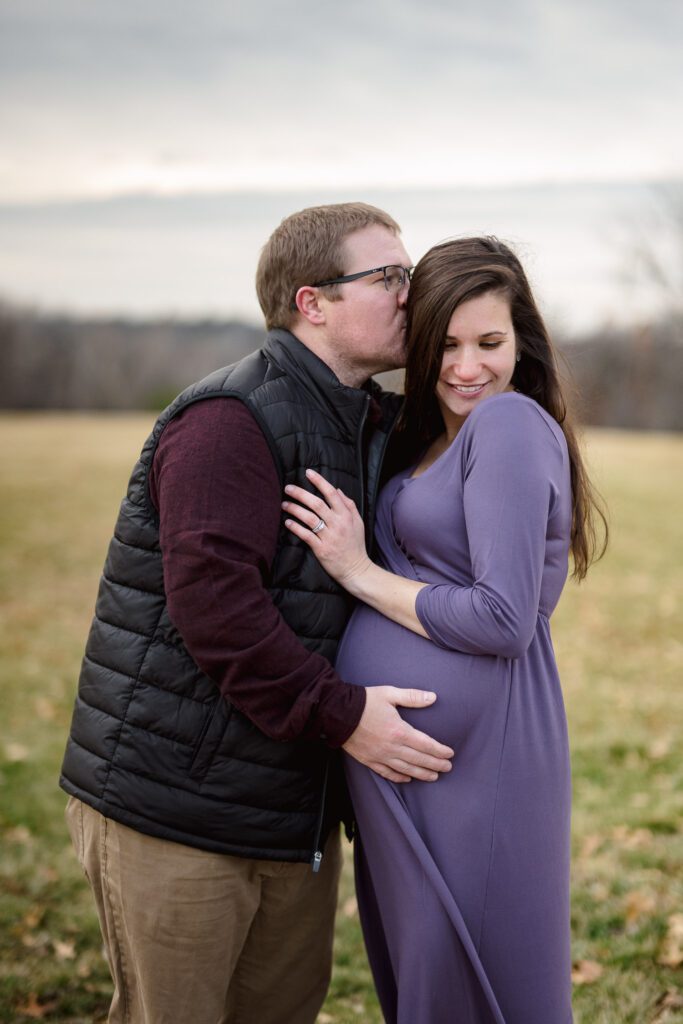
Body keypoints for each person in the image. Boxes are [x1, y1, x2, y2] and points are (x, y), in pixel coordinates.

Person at [59, 202, 455, 1024]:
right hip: (175, 807)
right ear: (313, 302)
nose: (410, 294)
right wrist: (345, 717)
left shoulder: (370, 423)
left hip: (290, 811)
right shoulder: (227, 421)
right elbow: (216, 611)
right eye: (388, 277)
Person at [282, 236, 608, 1024]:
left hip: (478, 763)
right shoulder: (435, 434)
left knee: (482, 978)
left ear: (520, 342)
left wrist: (358, 573)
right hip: (415, 768)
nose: (467, 367)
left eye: (489, 343)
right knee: (426, 974)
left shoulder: (506, 424)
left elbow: (502, 617)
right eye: (446, 346)